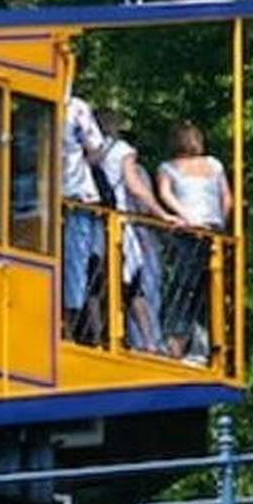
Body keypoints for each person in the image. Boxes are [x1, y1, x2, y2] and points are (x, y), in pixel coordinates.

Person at [97, 111, 173, 354]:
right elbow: (134, 186)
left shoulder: (89, 150)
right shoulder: (121, 151)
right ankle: (149, 340)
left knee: (99, 280)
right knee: (132, 284)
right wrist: (160, 213)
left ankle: (101, 336)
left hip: (95, 223)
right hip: (119, 223)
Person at [156, 121, 231, 361]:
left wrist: (186, 217)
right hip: (213, 231)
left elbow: (166, 194)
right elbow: (226, 198)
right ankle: (206, 343)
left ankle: (177, 342)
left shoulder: (167, 168)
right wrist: (220, 223)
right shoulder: (214, 165)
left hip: (188, 230)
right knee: (208, 286)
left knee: (182, 286)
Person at [62, 94, 107, 343]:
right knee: (77, 266)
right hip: (74, 195)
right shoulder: (76, 108)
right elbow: (96, 149)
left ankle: (73, 329)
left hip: (50, 197)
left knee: (76, 266)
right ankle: (74, 330)